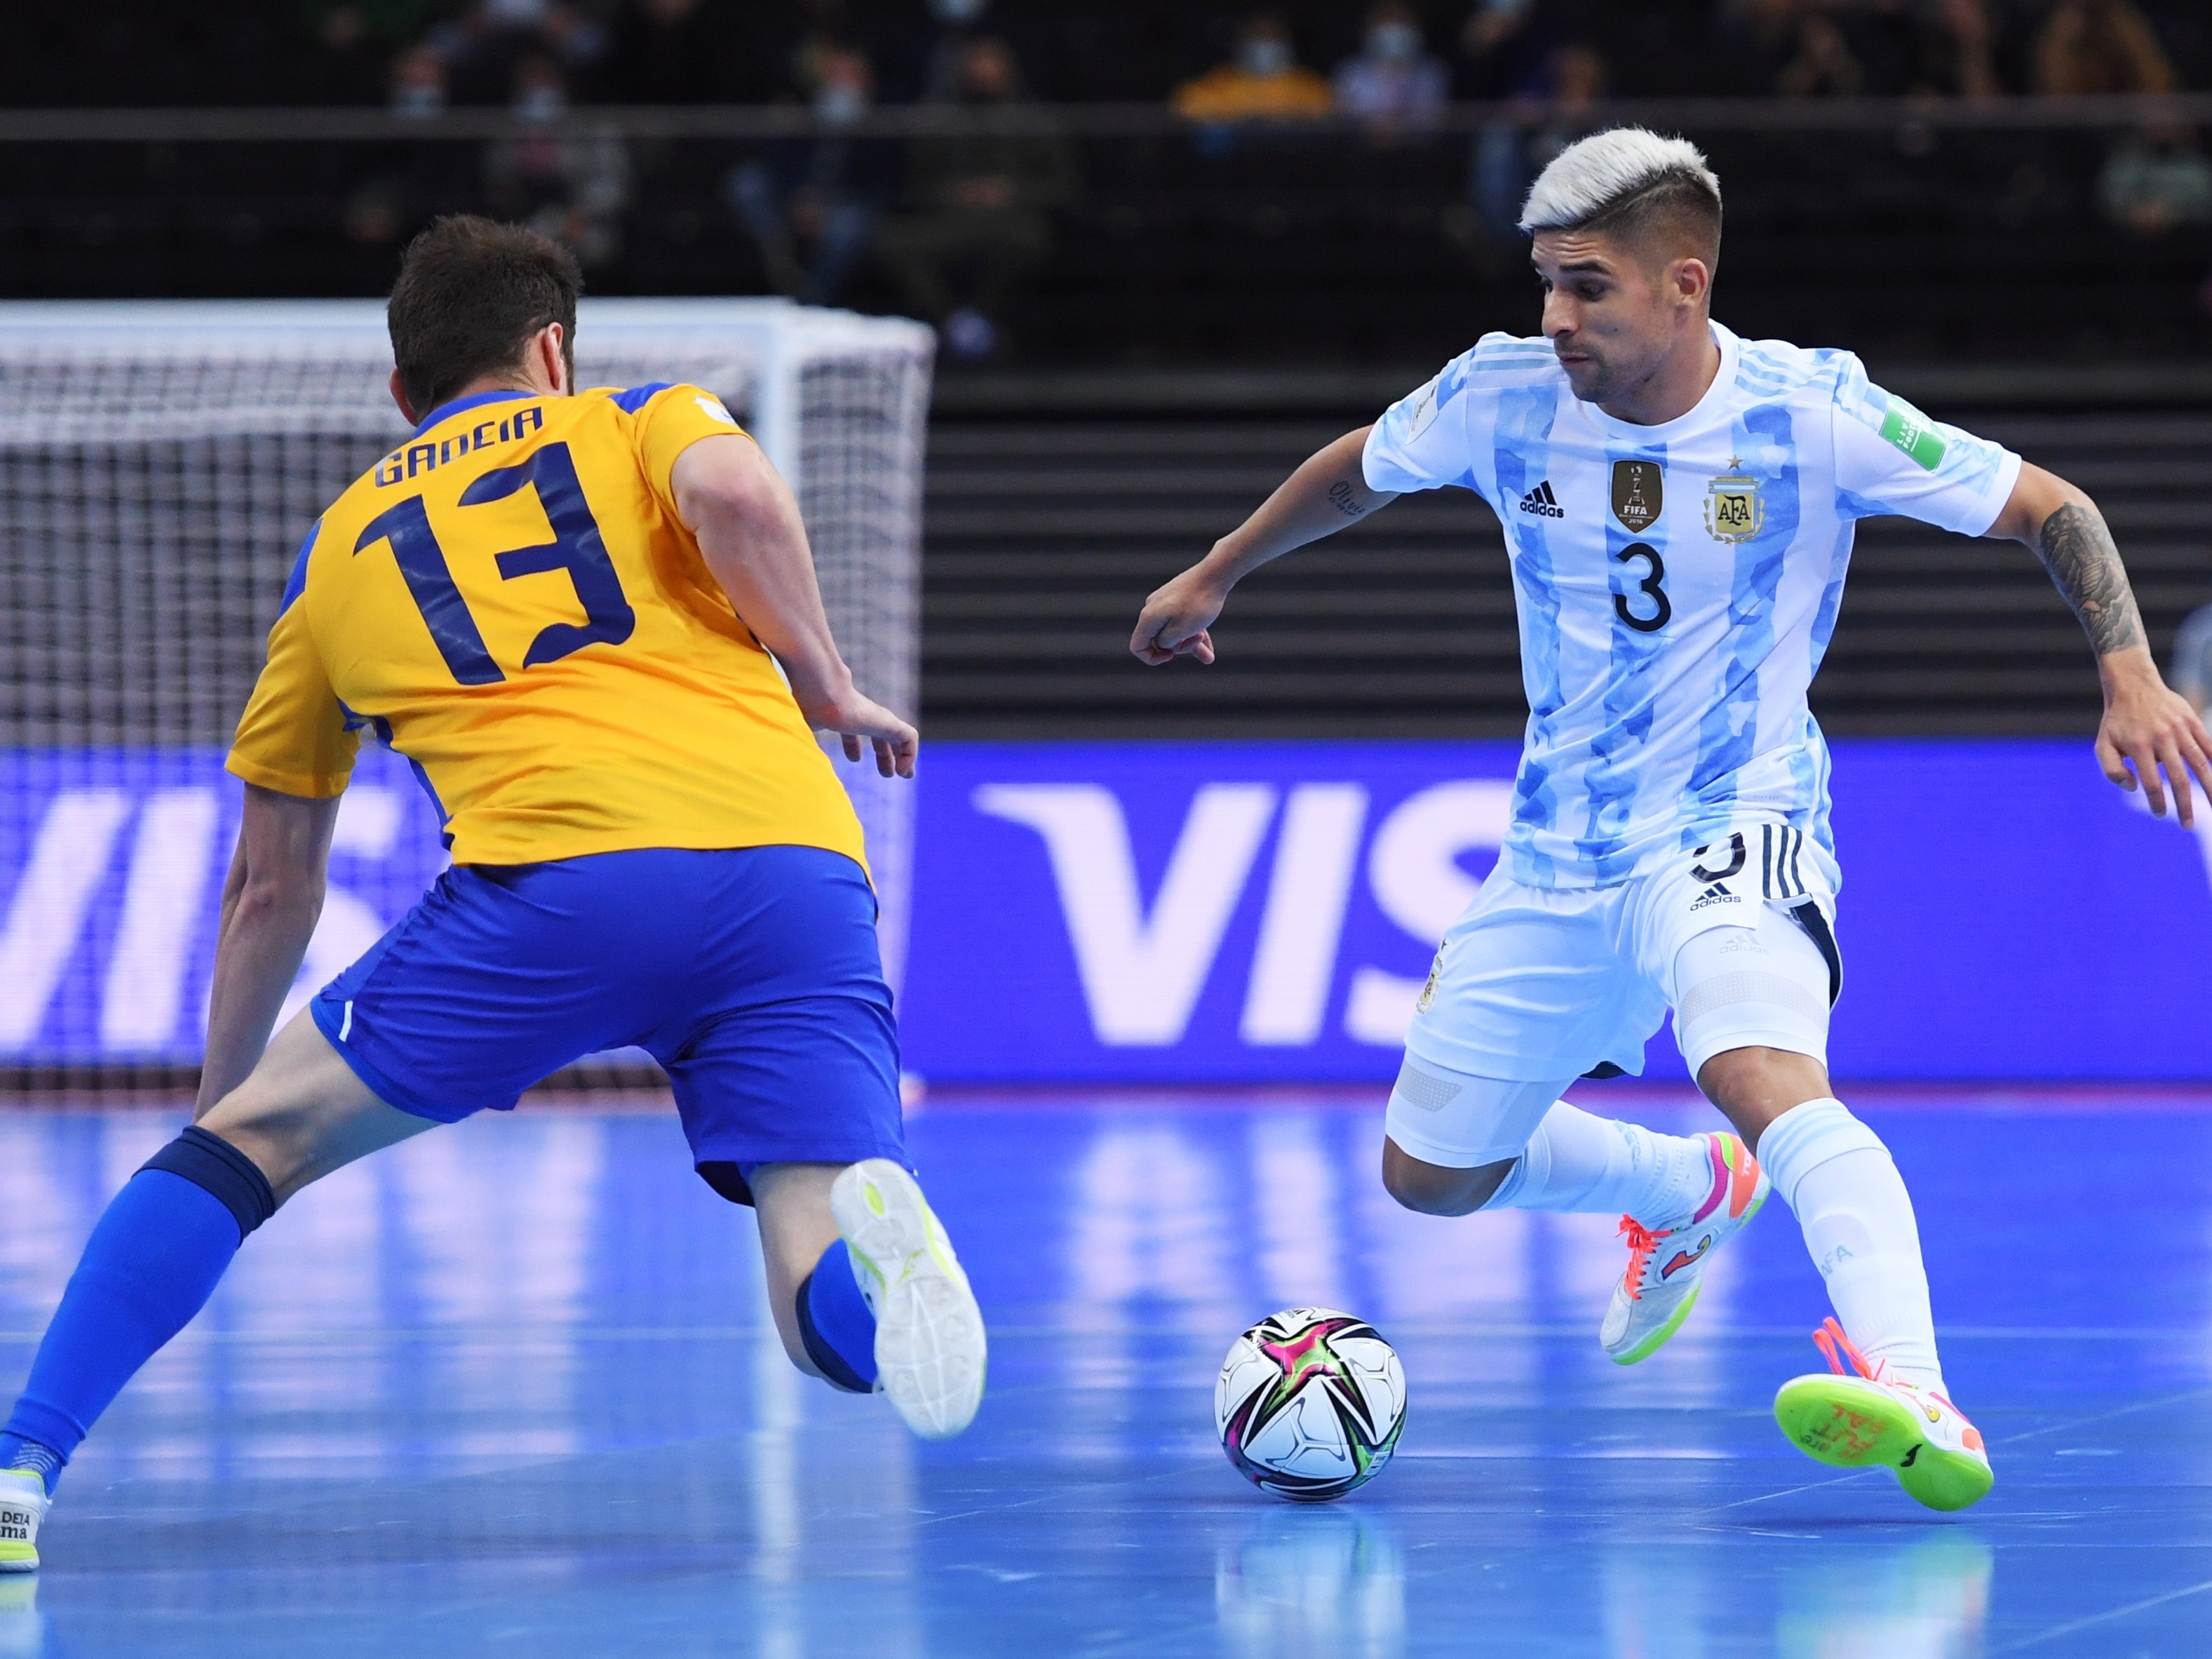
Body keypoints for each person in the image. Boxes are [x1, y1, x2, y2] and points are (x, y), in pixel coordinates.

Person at [1131, 128, 2212, 1513]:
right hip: (1554, 849)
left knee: (1761, 1073)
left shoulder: (1808, 412)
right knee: (1429, 1176)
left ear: (1682, 285)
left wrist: (2122, 666)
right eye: (1544, 285)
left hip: (1731, 820)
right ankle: (1678, 1191)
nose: (1554, 319)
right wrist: (1219, 571)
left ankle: (1913, 1385)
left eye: (1586, 288)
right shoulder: (1502, 394)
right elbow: (1359, 466)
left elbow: (2046, 506)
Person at [0, 216, 987, 1572]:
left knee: (240, 1158)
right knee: (813, 1282)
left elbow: (267, 884)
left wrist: (225, 1121)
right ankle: (869, 1263)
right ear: (552, 349)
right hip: (792, 875)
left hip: (559, 894)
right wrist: (822, 680)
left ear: (402, 396)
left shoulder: (334, 555)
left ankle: (18, 1472)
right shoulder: (638, 417)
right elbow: (744, 502)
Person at [875, 36, 1074, 360]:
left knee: (1029, 243)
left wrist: (1011, 191)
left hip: (1013, 219)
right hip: (950, 219)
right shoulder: (937, 116)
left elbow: (1064, 185)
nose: (983, 72)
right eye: (976, 64)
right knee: (892, 244)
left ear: (1009, 70)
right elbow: (913, 184)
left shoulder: (1033, 118)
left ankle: (980, 316)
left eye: (991, 64)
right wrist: (953, 192)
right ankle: (955, 321)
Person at [1172, 13, 1334, 123]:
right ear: (1240, 43)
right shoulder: (1220, 81)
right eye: (1258, 37)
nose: (1265, 44)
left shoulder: (1308, 85)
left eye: (1273, 37)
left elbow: (1325, 112)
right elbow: (1187, 105)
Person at [1334, 2, 1450, 137]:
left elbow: (1433, 119)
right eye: (1387, 21)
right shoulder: (1350, 73)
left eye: (1401, 21)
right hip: (1360, 151)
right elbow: (1343, 119)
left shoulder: (1433, 72)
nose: (1394, 29)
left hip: (1419, 151)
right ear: (1369, 28)